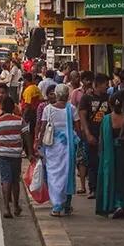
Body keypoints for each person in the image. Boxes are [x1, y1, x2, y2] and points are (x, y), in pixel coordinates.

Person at [36, 83, 80, 217]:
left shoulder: (48, 109)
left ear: (56, 94)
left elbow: (42, 128)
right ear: (67, 95)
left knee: (54, 175)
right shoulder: (71, 109)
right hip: (68, 147)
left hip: (52, 146)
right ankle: (66, 205)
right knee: (67, 173)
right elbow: (78, 127)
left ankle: (57, 205)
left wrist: (38, 143)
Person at [96, 90, 124, 219]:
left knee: (111, 178)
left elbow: (101, 141)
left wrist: (101, 155)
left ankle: (114, 204)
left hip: (109, 154)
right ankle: (123, 205)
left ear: (111, 105)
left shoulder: (106, 119)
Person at [0, 96, 33, 218]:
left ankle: (6, 209)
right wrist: (30, 152)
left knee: (5, 180)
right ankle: (16, 206)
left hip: (2, 154)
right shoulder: (19, 120)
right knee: (15, 181)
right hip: (16, 154)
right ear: (14, 108)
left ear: (2, 108)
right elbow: (27, 136)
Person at [79, 73, 111, 199]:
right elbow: (82, 116)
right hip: (92, 134)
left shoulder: (109, 98)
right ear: (98, 85)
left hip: (106, 135)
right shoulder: (86, 98)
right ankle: (93, 188)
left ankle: (104, 188)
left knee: (105, 162)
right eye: (105, 84)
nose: (107, 87)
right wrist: (88, 134)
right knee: (92, 162)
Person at [20, 72, 43, 145]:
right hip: (36, 112)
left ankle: (28, 148)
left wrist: (23, 116)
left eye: (24, 80)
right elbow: (41, 99)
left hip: (29, 114)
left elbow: (27, 105)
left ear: (26, 80)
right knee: (33, 131)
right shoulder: (36, 88)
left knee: (27, 131)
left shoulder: (28, 90)